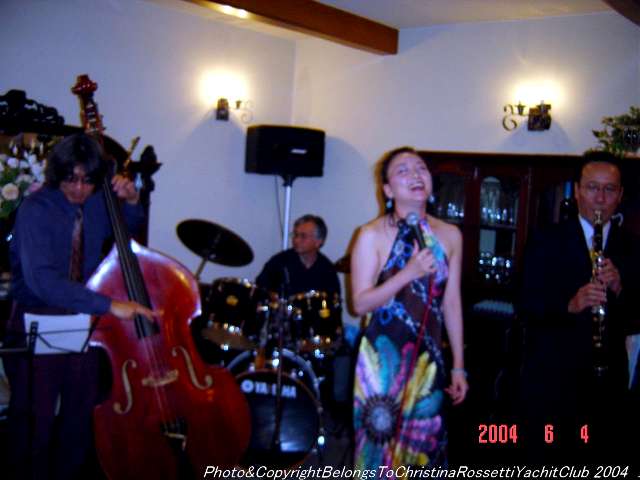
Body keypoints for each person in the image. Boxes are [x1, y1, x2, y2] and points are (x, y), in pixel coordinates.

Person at [3, 133, 157, 480]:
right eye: (71, 179)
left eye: (87, 180)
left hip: (83, 317)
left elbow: (127, 229)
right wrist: (110, 304)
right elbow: (43, 282)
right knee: (34, 421)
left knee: (80, 414)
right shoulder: (35, 210)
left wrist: (133, 201)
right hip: (36, 317)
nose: (79, 188)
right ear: (57, 174)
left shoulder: (97, 201)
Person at [519, 150, 640, 465]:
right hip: (552, 380)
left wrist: (620, 288)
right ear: (577, 190)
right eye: (592, 187)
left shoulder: (633, 247)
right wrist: (569, 305)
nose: (600, 198)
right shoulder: (546, 240)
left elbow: (636, 317)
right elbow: (526, 304)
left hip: (606, 384)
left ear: (620, 195)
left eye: (609, 189)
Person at [351, 147, 468, 469]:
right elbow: (359, 303)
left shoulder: (450, 235)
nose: (416, 175)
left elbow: (452, 303)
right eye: (403, 170)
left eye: (421, 168)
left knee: (425, 450)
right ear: (388, 190)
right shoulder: (371, 235)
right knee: (380, 455)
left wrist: (459, 365)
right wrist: (408, 274)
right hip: (382, 362)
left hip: (429, 361)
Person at [256, 214, 340, 298]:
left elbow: (334, 302)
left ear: (318, 242)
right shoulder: (279, 262)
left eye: (303, 236)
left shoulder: (327, 270)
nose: (296, 240)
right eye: (295, 235)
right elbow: (259, 290)